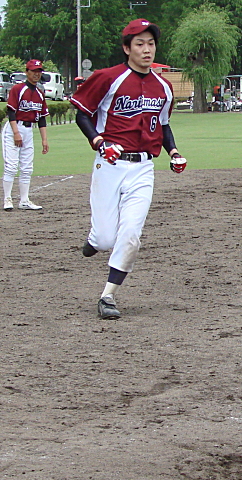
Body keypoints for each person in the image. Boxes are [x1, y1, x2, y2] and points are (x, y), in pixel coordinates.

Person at [70, 19, 186, 320]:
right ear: (126, 48)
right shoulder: (108, 78)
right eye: (139, 44)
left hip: (143, 168)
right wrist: (99, 141)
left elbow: (162, 125)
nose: (147, 49)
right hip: (109, 164)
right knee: (106, 239)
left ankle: (108, 295)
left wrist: (173, 151)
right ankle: (95, 240)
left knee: (131, 233)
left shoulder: (163, 87)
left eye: (151, 43)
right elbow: (82, 113)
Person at [2, 59, 49, 211]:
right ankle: (7, 199)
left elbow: (42, 119)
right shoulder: (18, 89)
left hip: (29, 130)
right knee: (11, 166)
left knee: (27, 167)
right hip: (14, 128)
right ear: (27, 72)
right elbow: (11, 112)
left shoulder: (40, 94)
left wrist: (44, 139)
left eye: (39, 71)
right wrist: (16, 133)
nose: (36, 74)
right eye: (33, 71)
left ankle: (24, 200)